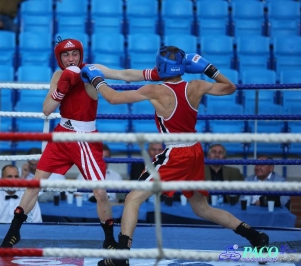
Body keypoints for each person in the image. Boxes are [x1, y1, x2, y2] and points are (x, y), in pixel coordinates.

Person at [80, 46, 269, 266]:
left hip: (175, 153)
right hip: (195, 151)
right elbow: (230, 87)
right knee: (201, 208)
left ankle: (122, 256)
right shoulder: (196, 85)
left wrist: (97, 80)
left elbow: (113, 98)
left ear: (161, 66)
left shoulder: (156, 90)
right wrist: (209, 68)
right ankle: (256, 237)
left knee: (133, 198)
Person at [0, 36, 151, 249]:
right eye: (66, 55)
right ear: (59, 58)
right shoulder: (58, 75)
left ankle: (109, 239)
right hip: (62, 134)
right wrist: (61, 88)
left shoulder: (92, 70)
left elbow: (123, 74)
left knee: (99, 192)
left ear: (80, 55)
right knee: (35, 184)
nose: (71, 58)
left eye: (74, 54)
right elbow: (46, 109)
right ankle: (12, 234)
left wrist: (153, 74)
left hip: (85, 138)